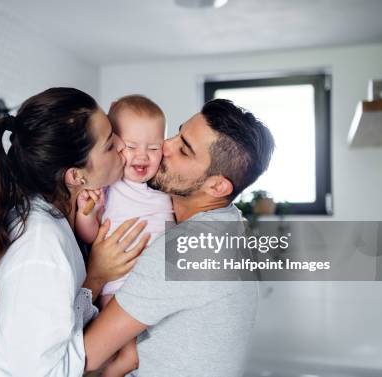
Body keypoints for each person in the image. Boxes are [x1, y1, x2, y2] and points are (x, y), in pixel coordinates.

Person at [0, 87, 151, 376]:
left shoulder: (54, 216)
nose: (124, 147)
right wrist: (97, 276)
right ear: (75, 176)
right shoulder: (40, 246)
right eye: (110, 144)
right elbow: (45, 372)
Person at [84, 98, 275, 377]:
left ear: (217, 185)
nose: (165, 146)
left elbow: (84, 357)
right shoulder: (226, 223)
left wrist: (96, 277)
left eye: (184, 150)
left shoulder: (188, 249)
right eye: (176, 133)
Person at [75, 94, 175, 376]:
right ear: (115, 145)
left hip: (155, 285)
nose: (142, 156)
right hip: (117, 283)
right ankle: (122, 363)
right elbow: (91, 235)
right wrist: (86, 214)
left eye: (154, 148)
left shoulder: (164, 186)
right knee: (124, 348)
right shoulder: (109, 185)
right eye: (131, 147)